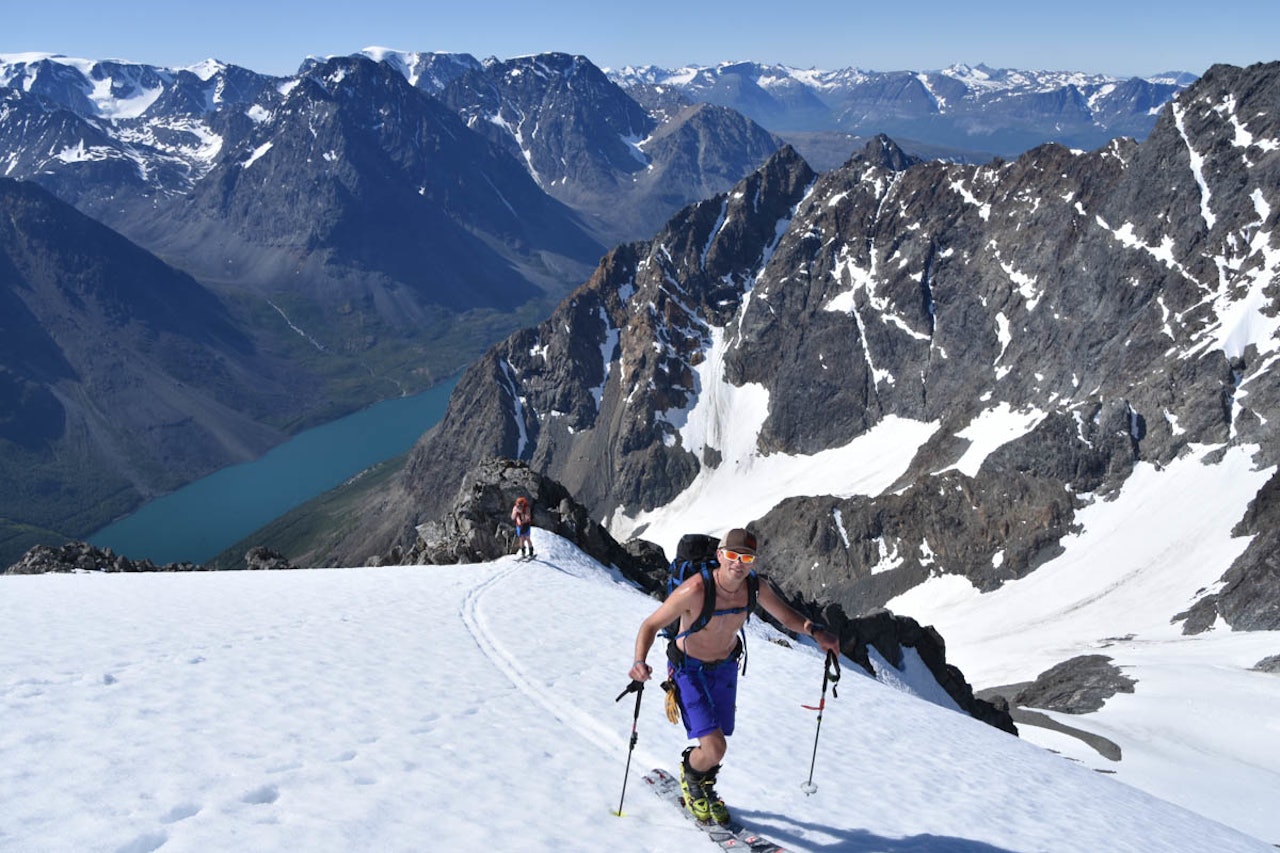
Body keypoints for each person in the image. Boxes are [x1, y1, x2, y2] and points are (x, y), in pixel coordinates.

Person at [628, 528, 839, 825]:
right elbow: (650, 625)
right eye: (731, 555)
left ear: (753, 562)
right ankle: (691, 778)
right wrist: (639, 661)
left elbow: (787, 616)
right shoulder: (695, 590)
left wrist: (816, 632)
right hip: (688, 670)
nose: (738, 563)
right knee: (715, 747)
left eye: (746, 557)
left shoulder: (755, 587)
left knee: (721, 734)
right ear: (719, 556)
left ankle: (704, 783)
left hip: (725, 666)